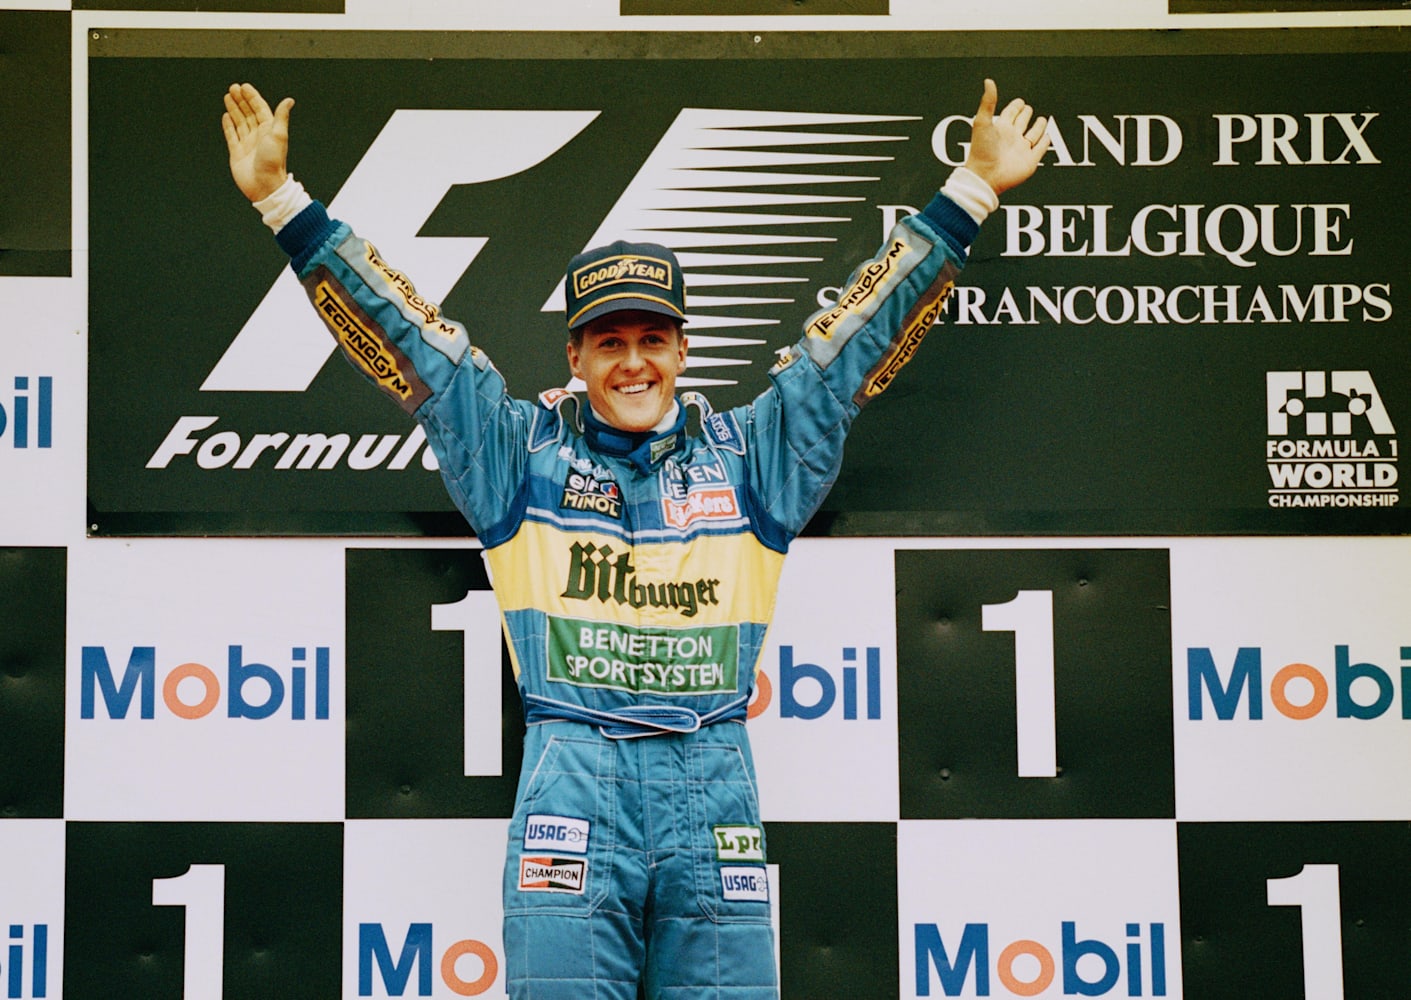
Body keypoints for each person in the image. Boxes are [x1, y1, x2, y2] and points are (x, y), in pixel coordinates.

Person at [223, 77, 1049, 1000]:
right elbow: (415, 344)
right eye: (607, 341)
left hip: (713, 785)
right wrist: (283, 204)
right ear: (573, 357)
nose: (632, 362)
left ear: (682, 349)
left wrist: (969, 193)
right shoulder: (515, 455)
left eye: (651, 338)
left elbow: (852, 344)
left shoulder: (753, 458)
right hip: (571, 783)